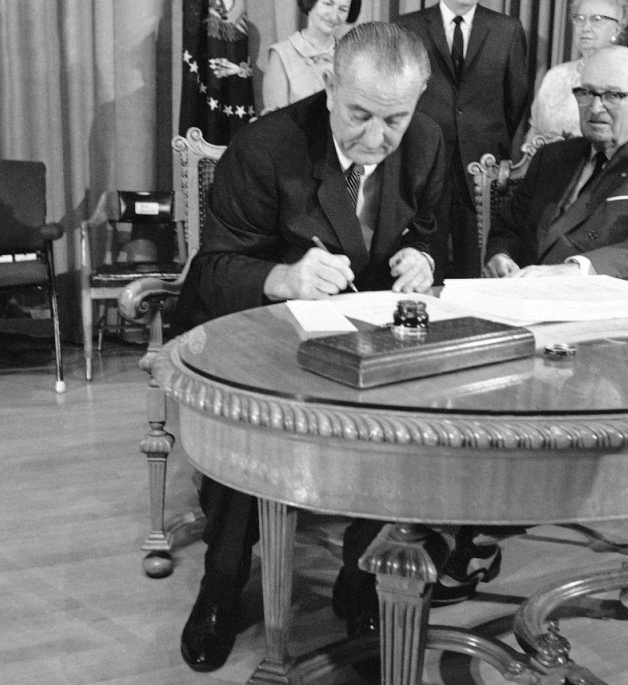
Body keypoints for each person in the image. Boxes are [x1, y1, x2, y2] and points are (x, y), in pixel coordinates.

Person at [173, 22, 445, 672]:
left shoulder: (428, 142)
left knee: (416, 417)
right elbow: (211, 271)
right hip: (264, 332)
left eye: (394, 120)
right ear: (329, 87)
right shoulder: (267, 148)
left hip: (369, 344)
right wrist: (282, 278)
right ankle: (223, 578)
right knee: (263, 418)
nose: (377, 138)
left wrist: (425, 258)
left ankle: (361, 573)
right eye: (360, 115)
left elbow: (441, 236)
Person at [486, 46, 628, 283]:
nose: (596, 108)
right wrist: (500, 255)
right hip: (522, 297)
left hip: (602, 305)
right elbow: (507, 228)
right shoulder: (551, 156)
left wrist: (576, 270)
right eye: (587, 93)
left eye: (613, 96)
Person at [396, 0, 530, 281]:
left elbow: (516, 98)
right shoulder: (408, 26)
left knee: (477, 262)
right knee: (423, 256)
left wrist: (503, 152)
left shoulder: (507, 29)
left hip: (484, 168)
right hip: (423, 160)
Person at [525, 0, 628, 144]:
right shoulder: (556, 75)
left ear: (617, 29)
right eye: (580, 19)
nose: (585, 27)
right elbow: (534, 130)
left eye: (596, 20)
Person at [261, 0, 361, 113]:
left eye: (343, 9)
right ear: (310, 2)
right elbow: (276, 121)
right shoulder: (281, 55)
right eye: (328, 4)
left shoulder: (351, 56)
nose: (334, 16)